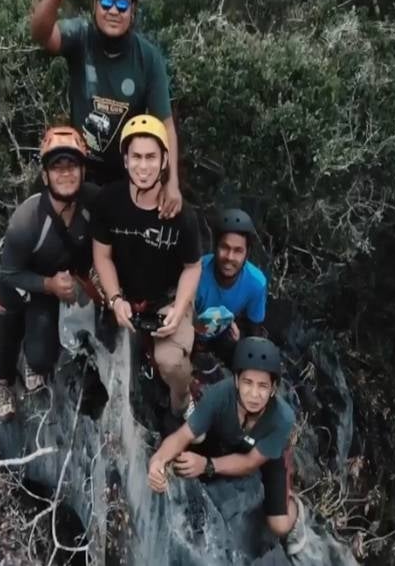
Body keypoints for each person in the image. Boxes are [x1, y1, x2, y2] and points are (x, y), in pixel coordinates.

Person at [30, 0, 183, 217]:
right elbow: (41, 34)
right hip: (78, 168)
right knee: (41, 214)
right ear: (94, 5)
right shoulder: (81, 36)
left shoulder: (148, 58)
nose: (114, 11)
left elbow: (166, 125)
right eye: (106, 3)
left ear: (133, 10)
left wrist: (171, 183)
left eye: (122, 4)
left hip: (126, 176)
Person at [147, 337, 308, 555]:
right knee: (194, 440)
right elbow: (182, 435)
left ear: (273, 389)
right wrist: (157, 460)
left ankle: (294, 507)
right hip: (229, 438)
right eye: (248, 382)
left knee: (279, 525)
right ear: (236, 381)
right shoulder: (218, 395)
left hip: (267, 455)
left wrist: (207, 465)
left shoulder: (282, 417)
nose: (254, 394)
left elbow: (250, 464)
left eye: (263, 386)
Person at [90, 115, 201, 415]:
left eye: (151, 157)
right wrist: (115, 299)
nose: (143, 166)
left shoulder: (181, 215)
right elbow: (102, 256)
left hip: (166, 299)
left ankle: (182, 402)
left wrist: (178, 309)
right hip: (124, 296)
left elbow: (193, 267)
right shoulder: (108, 201)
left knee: (171, 362)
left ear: (165, 160)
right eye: (136, 157)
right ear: (125, 160)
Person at [0, 126, 99, 421]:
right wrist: (48, 284)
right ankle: (2, 382)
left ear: (83, 171)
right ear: (45, 176)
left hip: (57, 285)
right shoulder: (28, 219)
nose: (65, 174)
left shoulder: (92, 203)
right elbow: (9, 272)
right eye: (57, 167)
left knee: (41, 358)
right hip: (25, 281)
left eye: (72, 166)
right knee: (8, 318)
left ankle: (32, 359)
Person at [194, 209, 269, 367]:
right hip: (191, 332)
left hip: (223, 335)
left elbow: (255, 330)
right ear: (215, 247)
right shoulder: (196, 272)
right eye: (224, 247)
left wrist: (240, 340)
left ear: (247, 254)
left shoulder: (256, 283)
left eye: (238, 251)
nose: (229, 257)